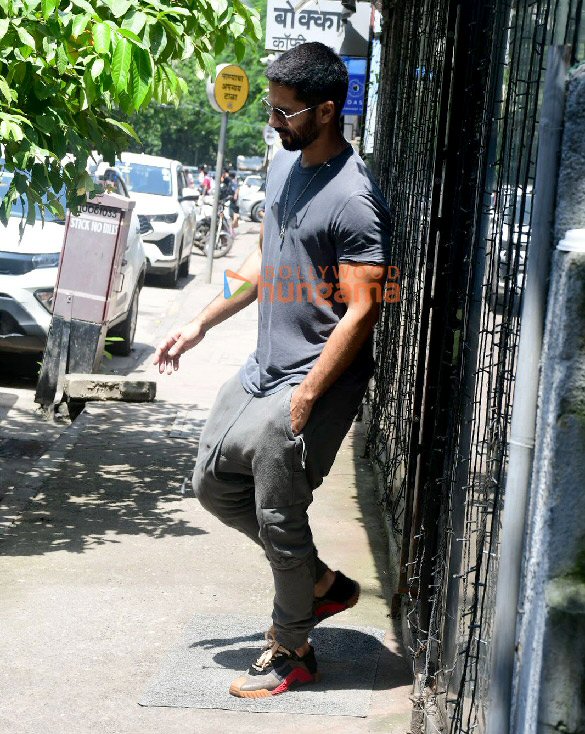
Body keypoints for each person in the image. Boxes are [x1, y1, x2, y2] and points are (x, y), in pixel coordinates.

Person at [153, 42, 392, 699]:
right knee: (211, 484)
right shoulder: (285, 169)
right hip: (263, 368)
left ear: (326, 109)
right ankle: (318, 586)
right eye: (270, 109)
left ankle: (292, 648)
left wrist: (309, 396)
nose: (274, 123)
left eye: (285, 113)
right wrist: (200, 322)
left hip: (310, 380)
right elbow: (265, 259)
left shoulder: (354, 199)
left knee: (279, 516)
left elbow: (363, 309)